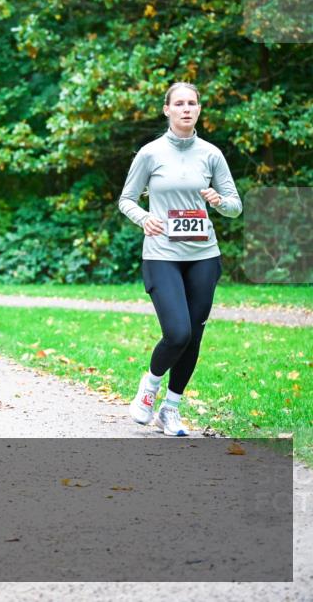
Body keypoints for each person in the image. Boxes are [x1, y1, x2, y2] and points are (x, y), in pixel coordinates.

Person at [119, 81, 242, 436]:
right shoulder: (150, 153)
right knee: (177, 332)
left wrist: (219, 201)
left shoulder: (211, 154)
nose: (186, 108)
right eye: (180, 103)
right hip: (162, 254)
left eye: (193, 103)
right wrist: (144, 218)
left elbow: (236, 207)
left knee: (195, 335)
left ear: (199, 110)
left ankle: (170, 410)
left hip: (204, 254)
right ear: (167, 110)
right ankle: (150, 386)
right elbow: (126, 199)